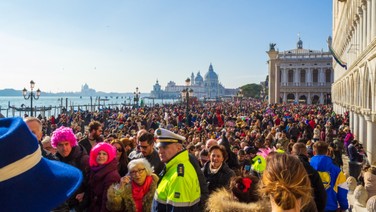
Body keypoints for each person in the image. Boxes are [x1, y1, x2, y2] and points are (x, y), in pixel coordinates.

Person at [0, 117, 83, 211]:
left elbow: (60, 200)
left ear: (41, 135)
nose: (26, 136)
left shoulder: (50, 158)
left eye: (32, 132)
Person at [152, 128, 203, 211]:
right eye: (158, 148)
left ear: (179, 148)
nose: (160, 151)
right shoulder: (175, 167)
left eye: (164, 147)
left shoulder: (179, 176)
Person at [51, 126, 90, 211]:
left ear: (71, 143)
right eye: (60, 145)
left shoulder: (83, 160)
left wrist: (85, 194)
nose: (64, 148)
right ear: (56, 146)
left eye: (66, 144)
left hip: (79, 207)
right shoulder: (55, 160)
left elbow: (93, 185)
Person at [310, 141, 349, 211]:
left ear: (313, 152)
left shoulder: (306, 168)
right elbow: (342, 191)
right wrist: (344, 206)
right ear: (327, 152)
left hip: (312, 207)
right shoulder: (337, 171)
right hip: (330, 208)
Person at [291, 142, 327, 212]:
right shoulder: (312, 170)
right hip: (308, 207)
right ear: (306, 154)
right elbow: (321, 195)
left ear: (292, 152)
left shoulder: (285, 169)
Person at [88, 142, 120, 212]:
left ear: (110, 156)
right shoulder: (95, 169)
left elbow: (106, 202)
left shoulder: (112, 176)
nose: (101, 156)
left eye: (104, 154)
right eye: (98, 153)